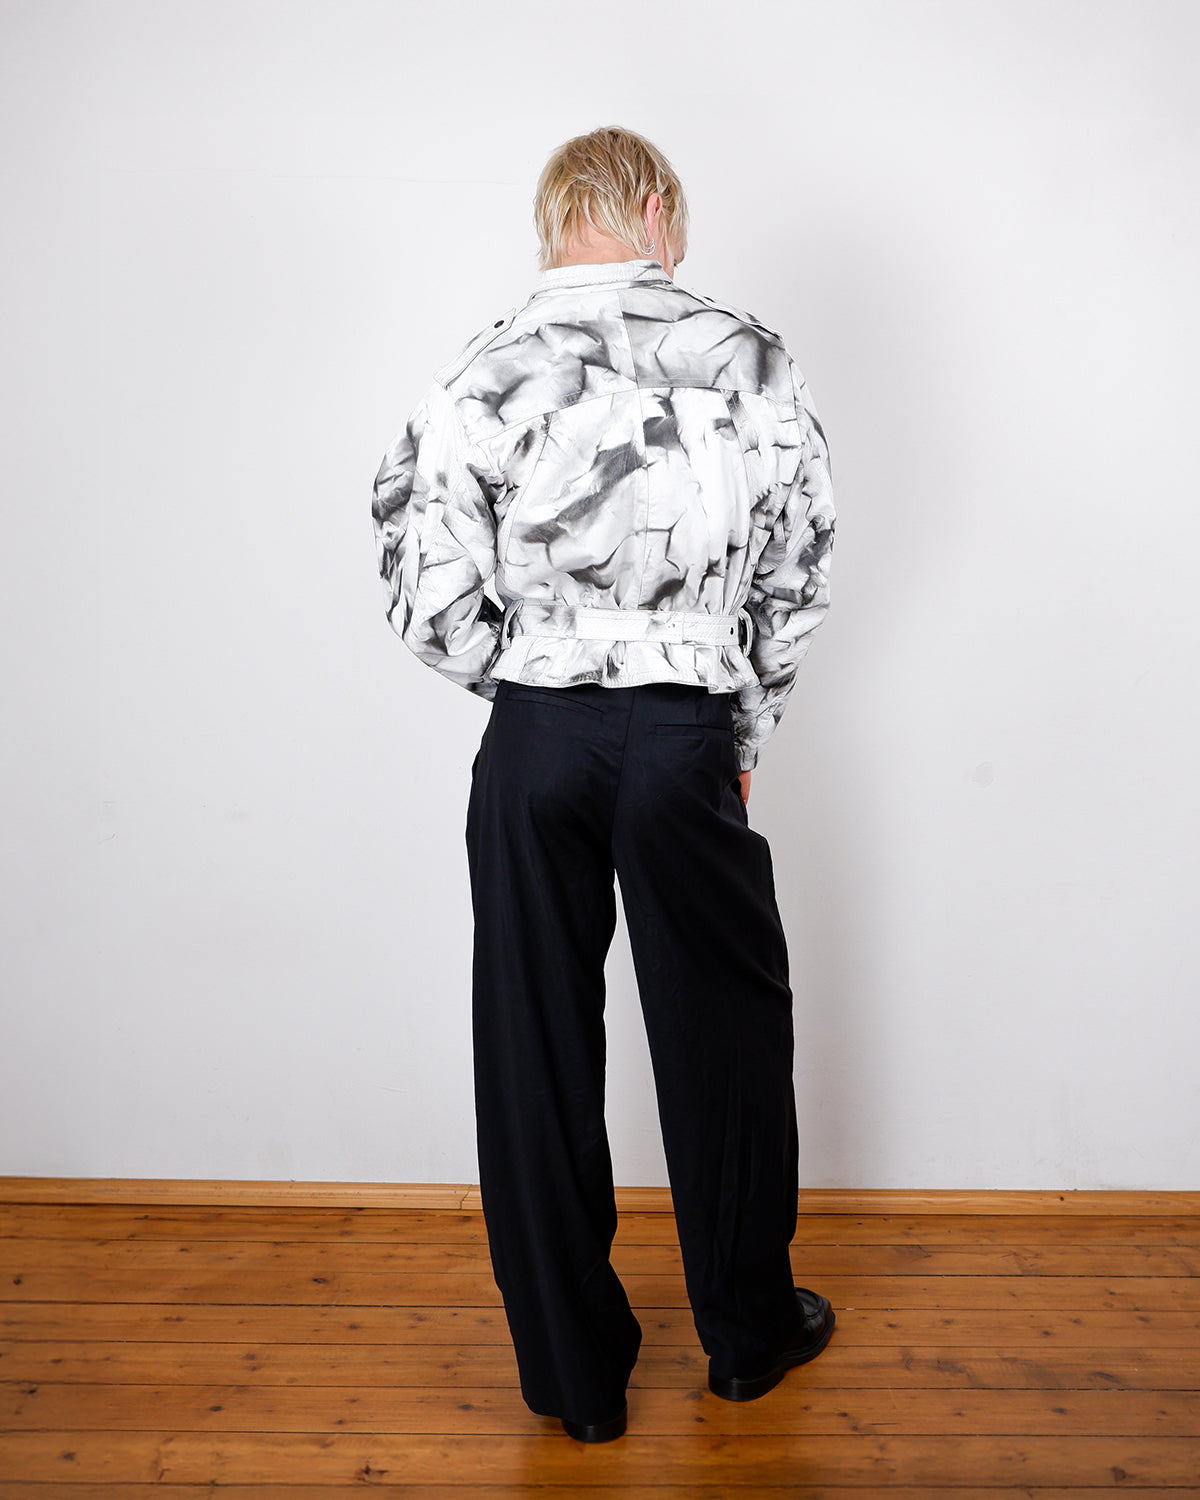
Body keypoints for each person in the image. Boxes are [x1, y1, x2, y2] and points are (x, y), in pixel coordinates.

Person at [371, 126, 836, 1444]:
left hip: (539, 735)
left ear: (554, 218)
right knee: (726, 1028)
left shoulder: (483, 364)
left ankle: (576, 1381)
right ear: (659, 210)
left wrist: (533, 687)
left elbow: (421, 577)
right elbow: (799, 565)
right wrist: (738, 727)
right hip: (685, 726)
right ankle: (746, 1334)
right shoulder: (749, 356)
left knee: (532, 1039)